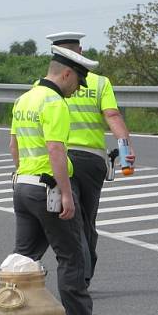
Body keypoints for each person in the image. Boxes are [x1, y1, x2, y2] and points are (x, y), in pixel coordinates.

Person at [0, 46, 119, 315]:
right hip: (47, 188)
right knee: (72, 257)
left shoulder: (25, 99)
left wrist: (24, 175)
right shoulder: (54, 102)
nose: (78, 90)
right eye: (78, 82)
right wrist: (66, 193)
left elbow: (13, 146)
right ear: (66, 74)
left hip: (23, 185)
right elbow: (56, 150)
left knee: (22, 255)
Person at [46, 32, 136, 286]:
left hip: (60, 159)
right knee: (88, 219)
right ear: (81, 52)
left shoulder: (44, 85)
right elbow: (113, 116)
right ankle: (85, 271)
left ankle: (78, 271)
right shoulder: (98, 82)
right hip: (91, 162)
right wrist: (126, 149)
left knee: (70, 218)